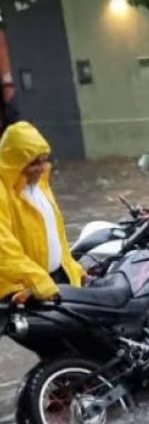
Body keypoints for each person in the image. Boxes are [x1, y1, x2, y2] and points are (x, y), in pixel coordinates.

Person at [0, 121, 86, 303]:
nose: (41, 168)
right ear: (15, 162)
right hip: (21, 294)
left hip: (50, 284)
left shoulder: (40, 187)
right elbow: (4, 251)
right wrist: (38, 281)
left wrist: (73, 269)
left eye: (44, 160)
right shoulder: (3, 193)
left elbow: (57, 236)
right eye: (33, 163)